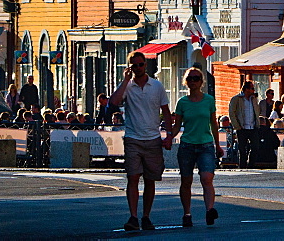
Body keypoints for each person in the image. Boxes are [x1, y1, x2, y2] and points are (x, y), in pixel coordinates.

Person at [109, 51, 173, 232]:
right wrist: (124, 80)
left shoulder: (157, 86)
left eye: (140, 65)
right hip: (133, 138)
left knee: (150, 179)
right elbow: (113, 102)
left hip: (152, 138)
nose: (138, 68)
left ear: (146, 65)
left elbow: (166, 111)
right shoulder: (127, 87)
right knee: (133, 177)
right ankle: (133, 216)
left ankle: (146, 216)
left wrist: (168, 135)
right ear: (130, 67)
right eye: (134, 65)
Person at [172, 67, 223, 227]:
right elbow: (176, 126)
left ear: (202, 82)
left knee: (207, 178)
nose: (193, 82)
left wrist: (218, 145)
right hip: (187, 145)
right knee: (186, 181)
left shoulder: (209, 100)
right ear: (185, 82)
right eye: (190, 79)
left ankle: (209, 210)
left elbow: (213, 124)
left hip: (206, 144)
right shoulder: (182, 102)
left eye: (196, 78)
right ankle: (187, 214)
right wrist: (168, 138)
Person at [228, 80, 261, 168]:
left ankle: (251, 166)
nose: (253, 90)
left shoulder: (253, 99)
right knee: (242, 149)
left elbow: (257, 111)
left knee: (255, 147)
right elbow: (232, 112)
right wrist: (236, 126)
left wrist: (257, 123)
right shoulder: (237, 99)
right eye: (252, 88)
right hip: (242, 127)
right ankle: (242, 166)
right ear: (246, 89)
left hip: (252, 127)